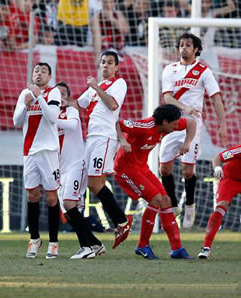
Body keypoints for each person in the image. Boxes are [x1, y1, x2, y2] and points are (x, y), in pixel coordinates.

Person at [159, 32, 228, 229]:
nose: (184, 48)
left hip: (193, 126)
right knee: (164, 168)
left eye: (188, 45)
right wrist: (184, 107)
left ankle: (189, 204)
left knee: (188, 171)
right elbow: (168, 98)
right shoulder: (169, 70)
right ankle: (173, 205)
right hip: (172, 124)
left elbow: (216, 98)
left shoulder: (204, 71)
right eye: (181, 44)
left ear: (196, 49)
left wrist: (222, 124)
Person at [115, 104, 196, 259]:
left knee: (166, 200)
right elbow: (118, 123)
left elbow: (192, 123)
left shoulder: (166, 126)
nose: (177, 126)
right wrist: (122, 141)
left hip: (142, 168)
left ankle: (177, 248)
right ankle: (142, 245)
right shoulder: (145, 126)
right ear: (164, 122)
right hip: (125, 170)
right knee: (156, 200)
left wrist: (187, 143)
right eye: (174, 123)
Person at [77, 50, 132, 249]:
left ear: (116, 67)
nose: (106, 65)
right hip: (90, 138)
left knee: (95, 183)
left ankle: (122, 221)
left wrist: (95, 87)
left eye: (110, 62)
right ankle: (120, 222)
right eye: (103, 62)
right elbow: (78, 105)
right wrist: (58, 103)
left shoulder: (119, 83)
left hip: (104, 137)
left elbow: (112, 104)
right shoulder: (94, 88)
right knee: (93, 184)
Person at [13, 62, 62, 259]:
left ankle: (53, 243)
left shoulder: (54, 92)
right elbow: (16, 121)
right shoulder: (24, 93)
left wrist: (39, 96)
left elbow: (52, 117)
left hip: (49, 151)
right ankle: (34, 239)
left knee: (51, 198)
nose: (38, 74)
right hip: (30, 152)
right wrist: (25, 104)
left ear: (49, 76)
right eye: (36, 71)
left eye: (43, 71)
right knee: (32, 195)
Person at [56, 82, 105, 259]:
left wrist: (50, 117)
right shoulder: (48, 115)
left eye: (63, 93)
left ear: (68, 98)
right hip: (59, 170)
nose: (60, 96)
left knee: (70, 203)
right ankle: (95, 244)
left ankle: (86, 248)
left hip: (76, 165)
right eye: (57, 93)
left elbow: (71, 126)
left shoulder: (71, 111)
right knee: (68, 211)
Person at [198, 145, 241, 259]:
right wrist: (217, 168)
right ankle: (206, 248)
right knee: (220, 207)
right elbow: (217, 158)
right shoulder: (239, 150)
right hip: (229, 179)